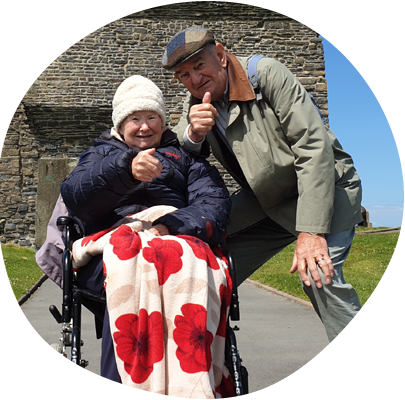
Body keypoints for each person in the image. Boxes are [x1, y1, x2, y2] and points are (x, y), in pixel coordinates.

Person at [162, 26, 388, 399]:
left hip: (326, 191)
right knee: (199, 264)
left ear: (220, 54)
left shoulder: (265, 75)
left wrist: (311, 231)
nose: (193, 80)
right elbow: (180, 159)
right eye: (183, 76)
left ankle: (369, 395)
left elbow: (313, 147)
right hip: (269, 202)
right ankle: (206, 384)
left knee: (321, 279)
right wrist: (193, 136)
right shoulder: (197, 108)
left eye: (199, 66)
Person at [59, 75, 232, 398]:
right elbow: (76, 195)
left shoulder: (186, 158)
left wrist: (171, 225)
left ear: (163, 121)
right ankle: (116, 391)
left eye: (151, 117)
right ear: (120, 123)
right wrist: (126, 170)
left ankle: (190, 389)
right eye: (134, 119)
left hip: (176, 244)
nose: (143, 127)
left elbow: (214, 204)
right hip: (113, 248)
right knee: (127, 260)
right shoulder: (100, 154)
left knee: (184, 258)